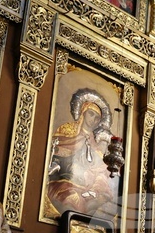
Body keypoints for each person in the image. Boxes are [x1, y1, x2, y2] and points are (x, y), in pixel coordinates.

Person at [45, 88, 117, 216]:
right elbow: (54, 153)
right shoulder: (67, 130)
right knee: (72, 199)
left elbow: (101, 169)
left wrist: (96, 186)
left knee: (100, 206)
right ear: (83, 112)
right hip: (65, 183)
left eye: (97, 118)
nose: (93, 120)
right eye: (91, 114)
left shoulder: (96, 143)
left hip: (87, 189)